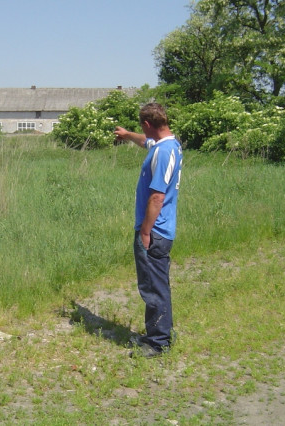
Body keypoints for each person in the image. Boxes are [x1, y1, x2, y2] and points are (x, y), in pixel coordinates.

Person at [114, 103, 182, 358]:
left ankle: (157, 342)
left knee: (152, 287)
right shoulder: (167, 145)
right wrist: (127, 135)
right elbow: (146, 142)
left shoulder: (164, 153)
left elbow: (157, 197)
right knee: (158, 284)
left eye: (141, 128)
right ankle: (161, 331)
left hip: (155, 231)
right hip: (160, 229)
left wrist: (145, 231)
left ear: (147, 124)